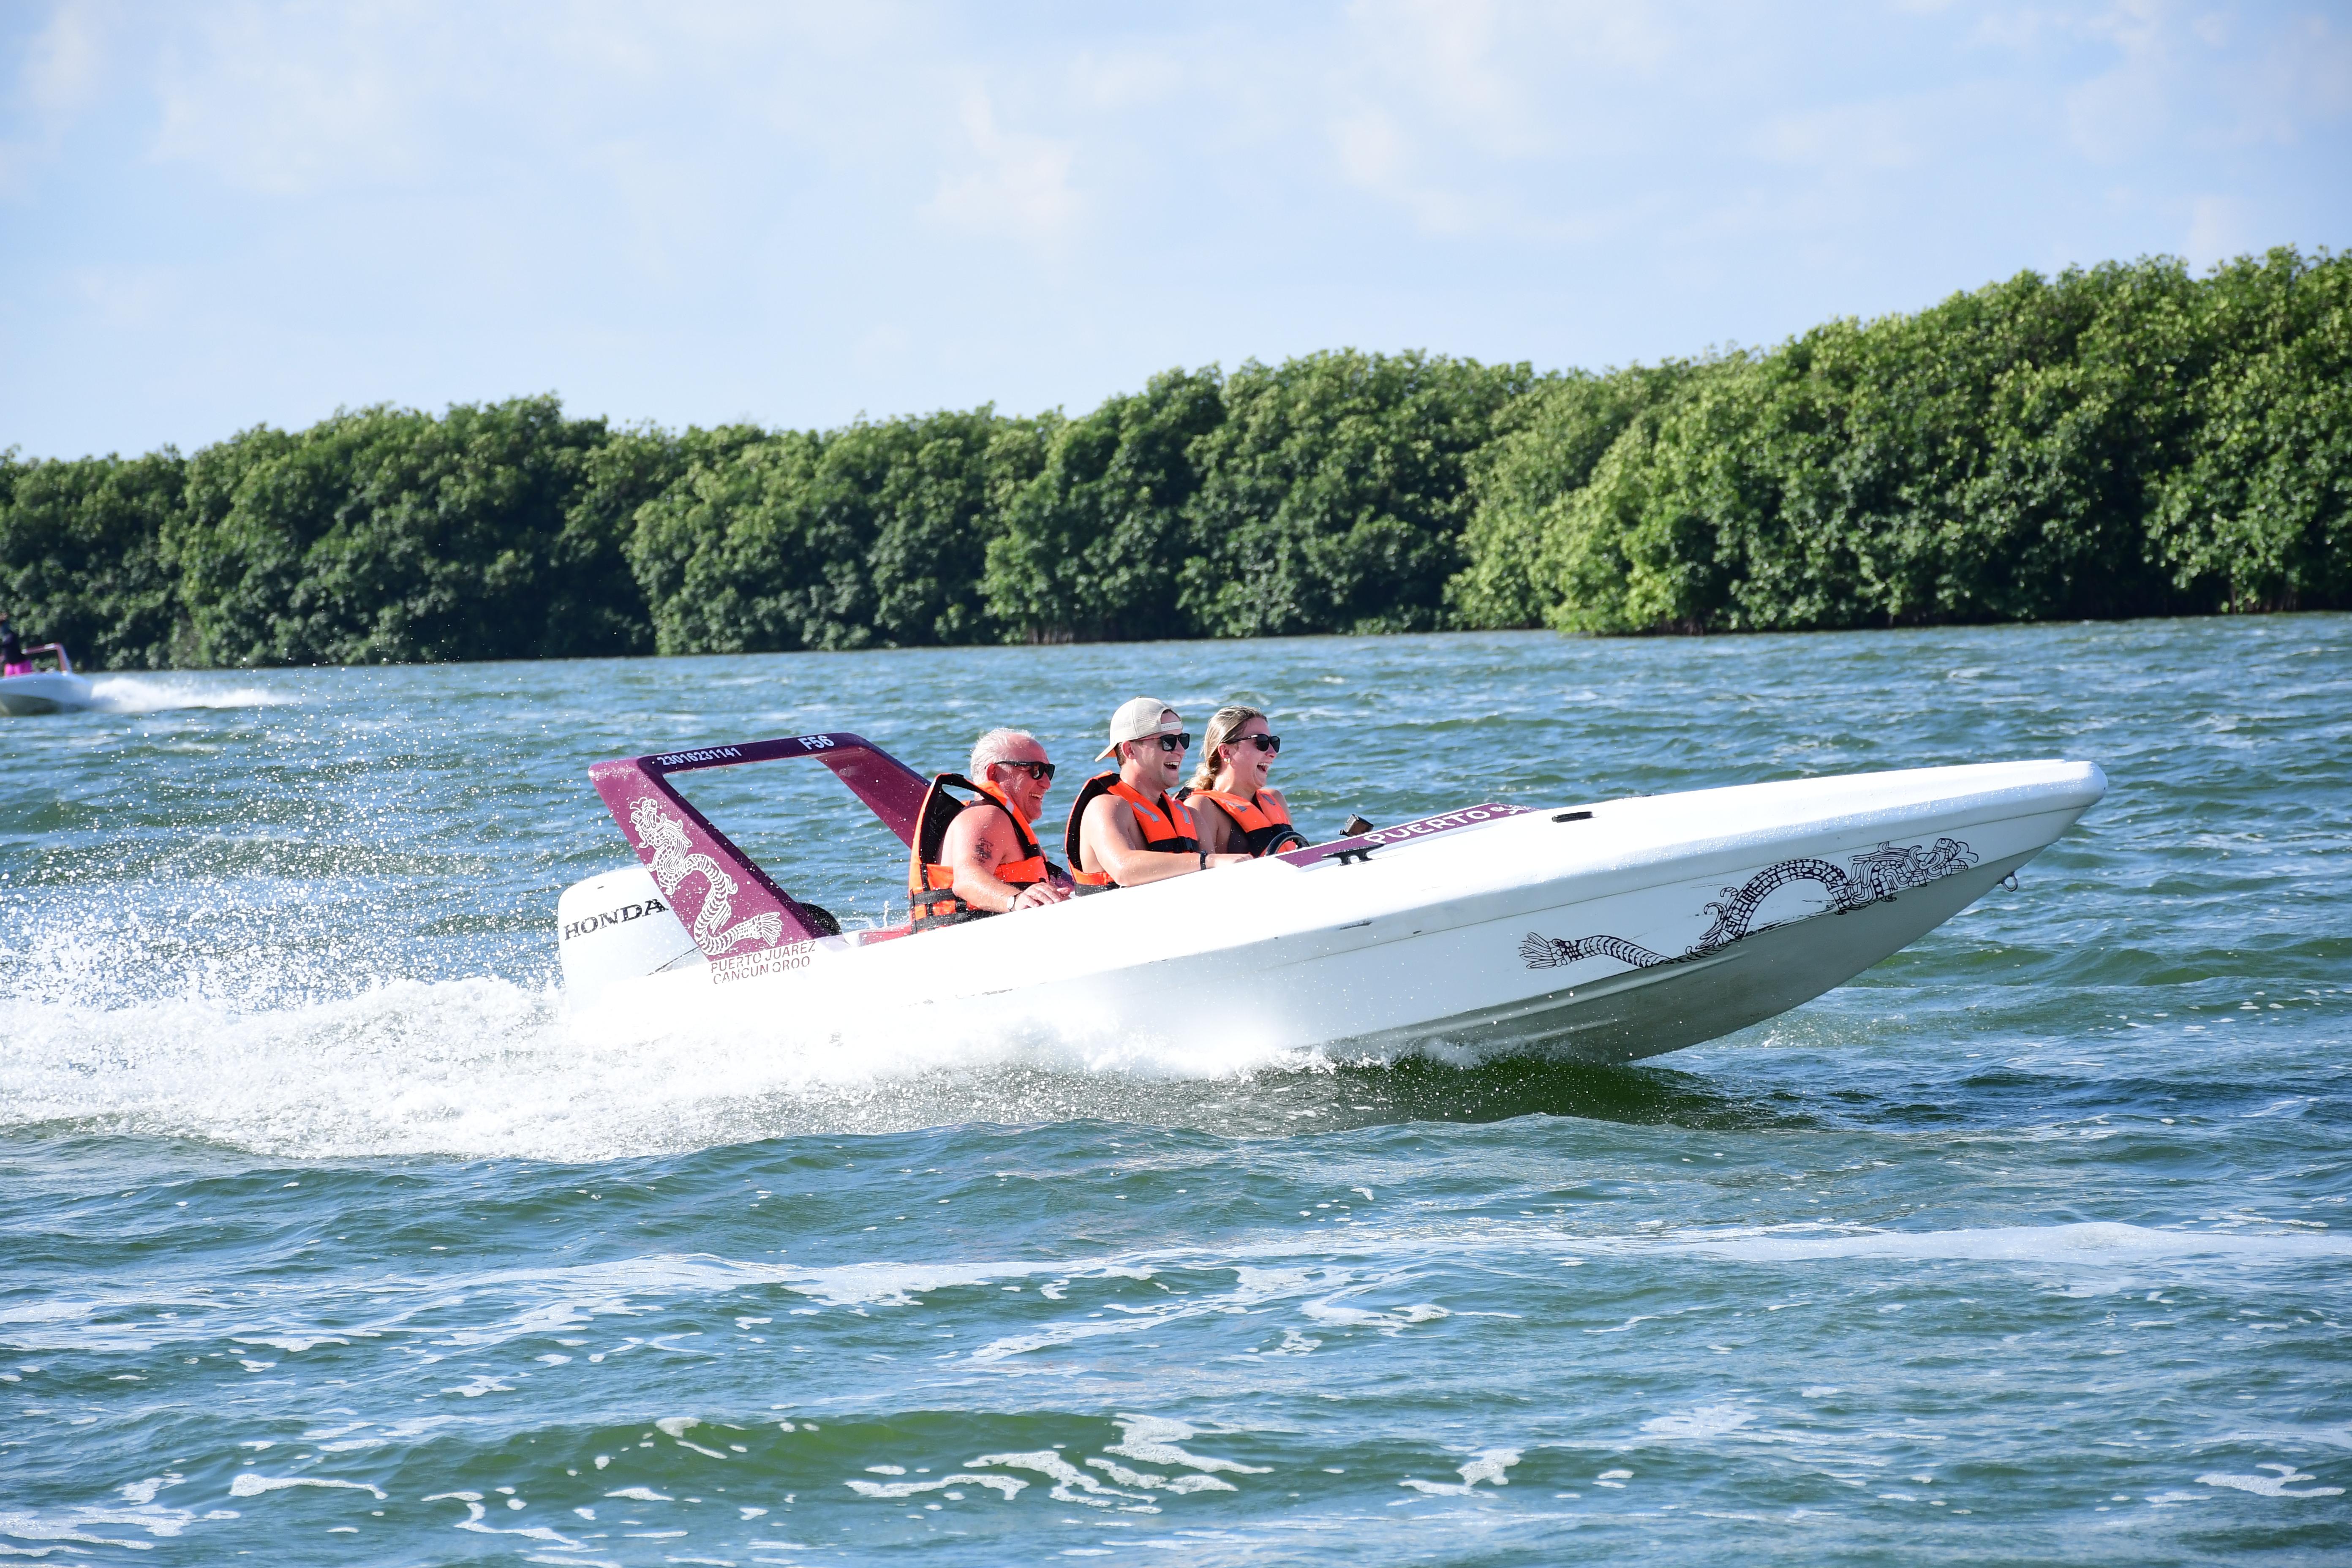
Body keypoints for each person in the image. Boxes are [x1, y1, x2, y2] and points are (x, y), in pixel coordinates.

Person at [1066, 698, 1250, 887]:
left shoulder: (1192, 818)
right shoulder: (1106, 807)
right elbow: (1124, 870)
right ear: (1130, 750)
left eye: (1182, 740)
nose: (1181, 751)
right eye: (1168, 742)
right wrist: (1208, 861)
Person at [905, 728, 1075, 929]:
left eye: (1049, 772)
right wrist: (1016, 900)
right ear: (994, 773)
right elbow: (967, 881)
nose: (1046, 783)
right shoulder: (987, 816)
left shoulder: (1001, 820)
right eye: (1035, 770)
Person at [1181, 705, 1309, 857]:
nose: (1273, 753)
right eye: (1261, 742)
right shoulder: (1202, 807)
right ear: (1226, 751)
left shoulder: (1275, 798)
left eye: (1273, 743)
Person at [0, 610, 26, 677]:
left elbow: (7, 645)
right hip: (10, 665)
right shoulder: (4, 638)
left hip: (20, 664)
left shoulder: (12, 636)